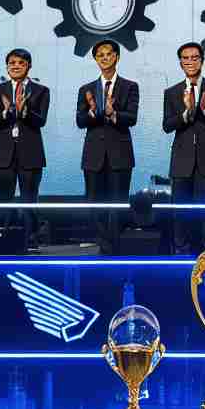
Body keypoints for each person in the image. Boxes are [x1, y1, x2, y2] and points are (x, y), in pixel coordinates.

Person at [163, 43, 205, 254]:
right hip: (181, 160)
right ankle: (181, 253)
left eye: (194, 57)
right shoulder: (172, 92)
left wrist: (204, 108)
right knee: (180, 212)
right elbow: (167, 125)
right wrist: (185, 113)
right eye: (185, 58)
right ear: (180, 62)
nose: (190, 61)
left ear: (202, 60)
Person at [76, 40, 138, 255]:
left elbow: (132, 118)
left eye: (108, 54)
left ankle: (116, 247)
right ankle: (103, 246)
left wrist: (113, 114)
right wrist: (94, 112)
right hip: (93, 155)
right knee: (94, 204)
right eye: (99, 55)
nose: (104, 58)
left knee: (118, 204)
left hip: (120, 154)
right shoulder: (86, 89)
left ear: (117, 57)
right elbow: (80, 120)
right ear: (95, 59)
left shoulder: (130, 86)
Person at [0, 49, 49, 247]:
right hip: (4, 154)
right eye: (12, 62)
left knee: (29, 200)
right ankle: (4, 240)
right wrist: (5, 113)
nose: (15, 66)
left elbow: (41, 121)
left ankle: (30, 241)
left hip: (30, 154)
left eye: (21, 63)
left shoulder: (41, 91)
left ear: (28, 66)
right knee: (3, 200)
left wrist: (24, 111)